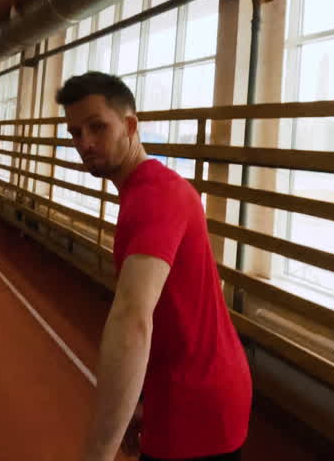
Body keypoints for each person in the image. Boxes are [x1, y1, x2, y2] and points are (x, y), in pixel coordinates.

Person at [59, 72, 251, 461]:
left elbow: (133, 321)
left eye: (98, 127)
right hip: (186, 387)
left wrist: (98, 451)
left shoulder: (155, 197)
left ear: (130, 126)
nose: (85, 143)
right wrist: (140, 400)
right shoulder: (145, 191)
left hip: (197, 401)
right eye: (76, 132)